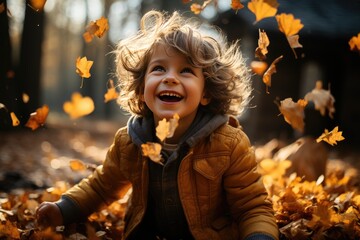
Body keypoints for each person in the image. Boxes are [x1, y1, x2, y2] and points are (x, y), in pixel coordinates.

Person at [36, 10, 279, 240]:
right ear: (142, 90)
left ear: (206, 93)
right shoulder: (130, 142)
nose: (170, 77)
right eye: (159, 68)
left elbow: (252, 207)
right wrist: (63, 209)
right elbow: (101, 187)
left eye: (186, 71)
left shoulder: (229, 144)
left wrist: (259, 236)